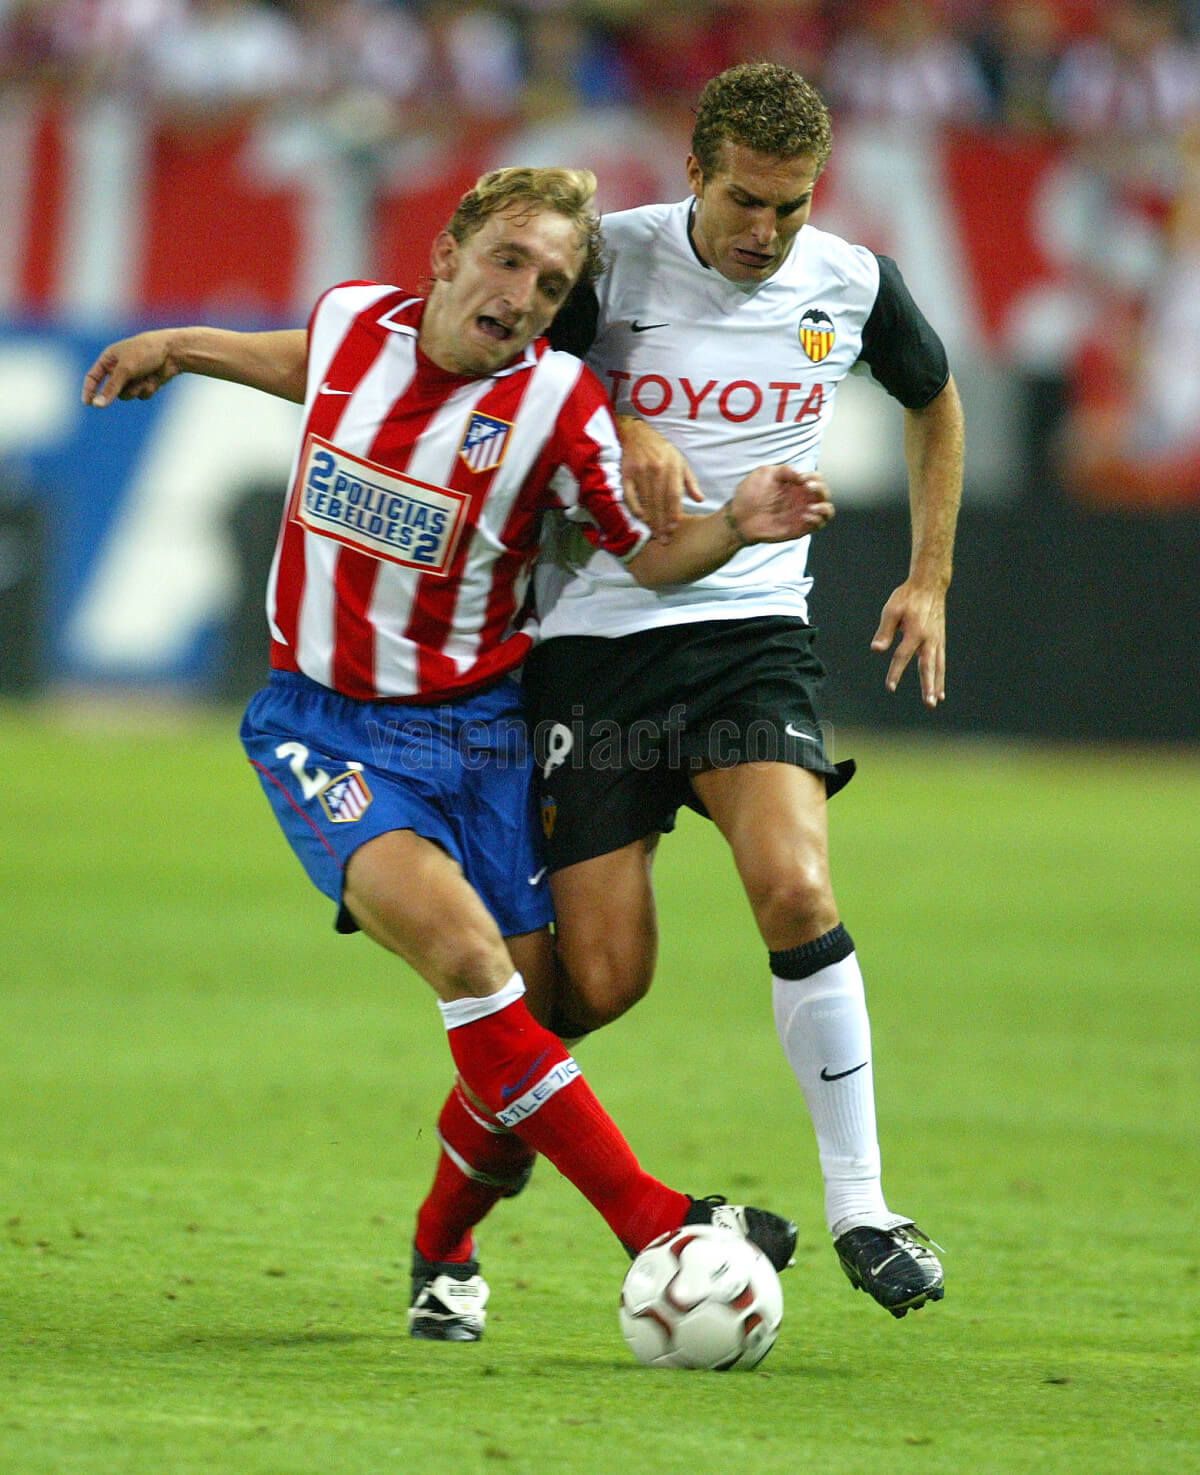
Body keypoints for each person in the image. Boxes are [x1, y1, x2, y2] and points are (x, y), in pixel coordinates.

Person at [82, 165, 835, 1340]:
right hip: (323, 728)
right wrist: (179, 343)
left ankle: (443, 1245)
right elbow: (303, 365)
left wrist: (734, 525)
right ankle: (659, 1220)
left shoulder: (563, 410)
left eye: (553, 281)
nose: (527, 293)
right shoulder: (352, 323)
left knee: (564, 998)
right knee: (471, 960)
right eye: (508, 261)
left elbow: (648, 555)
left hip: (481, 736)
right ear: (447, 256)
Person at [412, 62, 963, 1330]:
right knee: (589, 988)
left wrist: (930, 576)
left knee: (799, 885)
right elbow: (489, 382)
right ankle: (443, 1237)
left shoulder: (854, 282)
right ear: (695, 175)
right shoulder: (604, 266)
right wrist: (610, 411)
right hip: (595, 642)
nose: (766, 234)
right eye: (745, 203)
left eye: (792, 205)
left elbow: (934, 400)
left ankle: (864, 1204)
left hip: (750, 632)